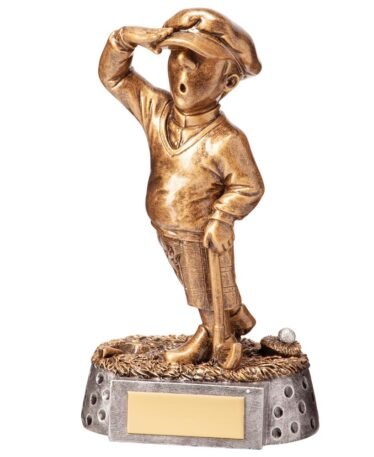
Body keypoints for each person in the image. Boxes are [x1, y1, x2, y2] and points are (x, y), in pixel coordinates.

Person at [99, 8, 264, 365]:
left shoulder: (226, 140)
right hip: (166, 226)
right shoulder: (156, 111)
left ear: (228, 82)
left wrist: (222, 218)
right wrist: (127, 37)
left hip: (200, 232)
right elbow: (114, 76)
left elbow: (248, 185)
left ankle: (215, 333)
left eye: (198, 60)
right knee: (195, 284)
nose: (183, 68)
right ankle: (234, 316)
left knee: (204, 288)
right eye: (177, 54)